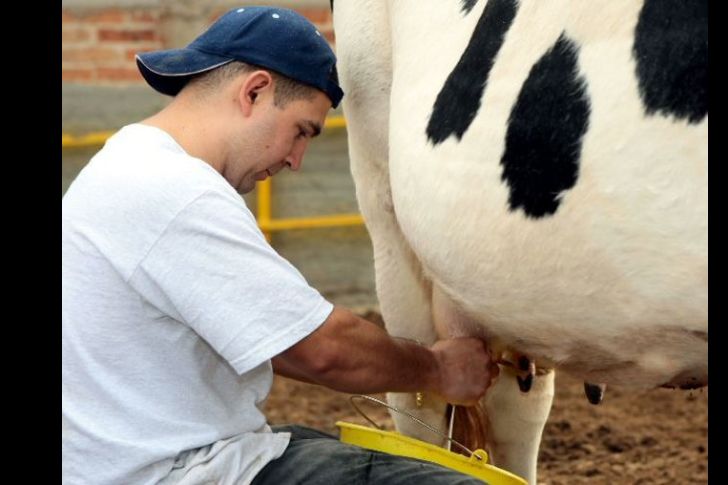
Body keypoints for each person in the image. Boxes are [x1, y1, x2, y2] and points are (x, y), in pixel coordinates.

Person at [62, 6, 498, 484]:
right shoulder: (174, 190)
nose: (296, 160)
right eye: (301, 131)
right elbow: (323, 350)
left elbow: (280, 345)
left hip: (132, 460)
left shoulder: (126, 164)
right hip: (177, 472)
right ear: (254, 91)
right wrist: (436, 368)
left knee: (323, 444)